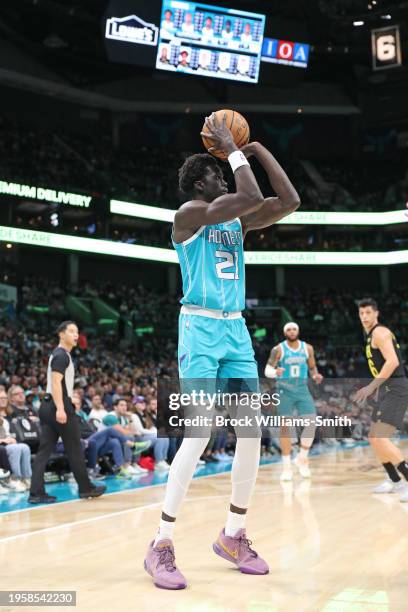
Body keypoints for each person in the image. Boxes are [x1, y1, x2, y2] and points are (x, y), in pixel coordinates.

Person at [144, 113, 300, 589]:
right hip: (199, 329)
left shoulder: (237, 221)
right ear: (201, 182)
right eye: (217, 172)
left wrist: (253, 150)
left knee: (251, 433)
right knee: (198, 434)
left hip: (235, 331)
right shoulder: (189, 215)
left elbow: (289, 200)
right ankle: (160, 544)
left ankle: (233, 533)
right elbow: (250, 195)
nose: (224, 175)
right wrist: (232, 149)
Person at [28, 321, 106, 504]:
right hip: (58, 404)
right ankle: (86, 488)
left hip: (48, 405)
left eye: (77, 332)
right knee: (75, 448)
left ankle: (35, 492)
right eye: (71, 331)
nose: (76, 335)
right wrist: (61, 408)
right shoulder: (61, 355)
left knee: (44, 450)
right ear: (61, 334)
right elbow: (56, 383)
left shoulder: (60, 355)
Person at [354, 298, 408, 502]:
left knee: (380, 438)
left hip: (396, 387)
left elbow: (393, 361)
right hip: (387, 388)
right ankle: (395, 481)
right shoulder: (370, 335)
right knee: (373, 438)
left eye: (368, 312)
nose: (365, 317)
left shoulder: (380, 332)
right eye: (362, 313)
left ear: (376, 313)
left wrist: (371, 387)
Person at [265, 322, 323, 481]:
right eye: (288, 329)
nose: (291, 331)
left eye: (294, 329)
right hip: (284, 390)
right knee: (286, 428)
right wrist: (274, 371)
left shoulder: (307, 348)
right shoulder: (278, 349)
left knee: (311, 423)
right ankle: (286, 467)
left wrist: (316, 375)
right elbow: (267, 369)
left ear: (298, 331)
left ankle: (301, 458)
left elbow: (312, 367)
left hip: (302, 389)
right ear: (285, 332)